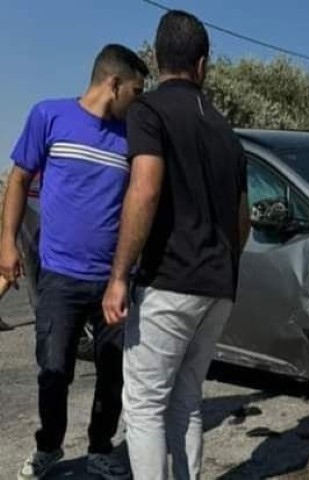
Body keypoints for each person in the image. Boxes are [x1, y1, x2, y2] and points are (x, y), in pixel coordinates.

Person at [101, 10, 250, 478]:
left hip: (169, 281)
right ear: (202, 65)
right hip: (218, 287)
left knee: (144, 404)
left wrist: (119, 276)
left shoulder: (149, 111)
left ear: (156, 56)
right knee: (186, 399)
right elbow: (242, 222)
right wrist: (221, 261)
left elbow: (144, 189)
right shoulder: (227, 132)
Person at [0, 44, 148, 480]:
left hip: (113, 281)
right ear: (114, 84)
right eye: (136, 91)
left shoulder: (130, 138)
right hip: (59, 276)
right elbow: (19, 179)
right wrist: (6, 244)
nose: (138, 101)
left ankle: (101, 447)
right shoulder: (49, 116)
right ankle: (49, 446)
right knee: (53, 370)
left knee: (112, 372)